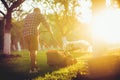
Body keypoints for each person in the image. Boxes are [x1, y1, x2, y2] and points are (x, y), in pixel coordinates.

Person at [23, 8, 53, 73]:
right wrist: (50, 31)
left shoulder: (28, 15)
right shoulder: (39, 14)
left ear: (33, 10)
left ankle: (34, 66)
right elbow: (45, 23)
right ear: (39, 11)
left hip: (25, 34)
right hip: (33, 34)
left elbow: (25, 25)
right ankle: (32, 69)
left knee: (31, 51)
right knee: (34, 50)